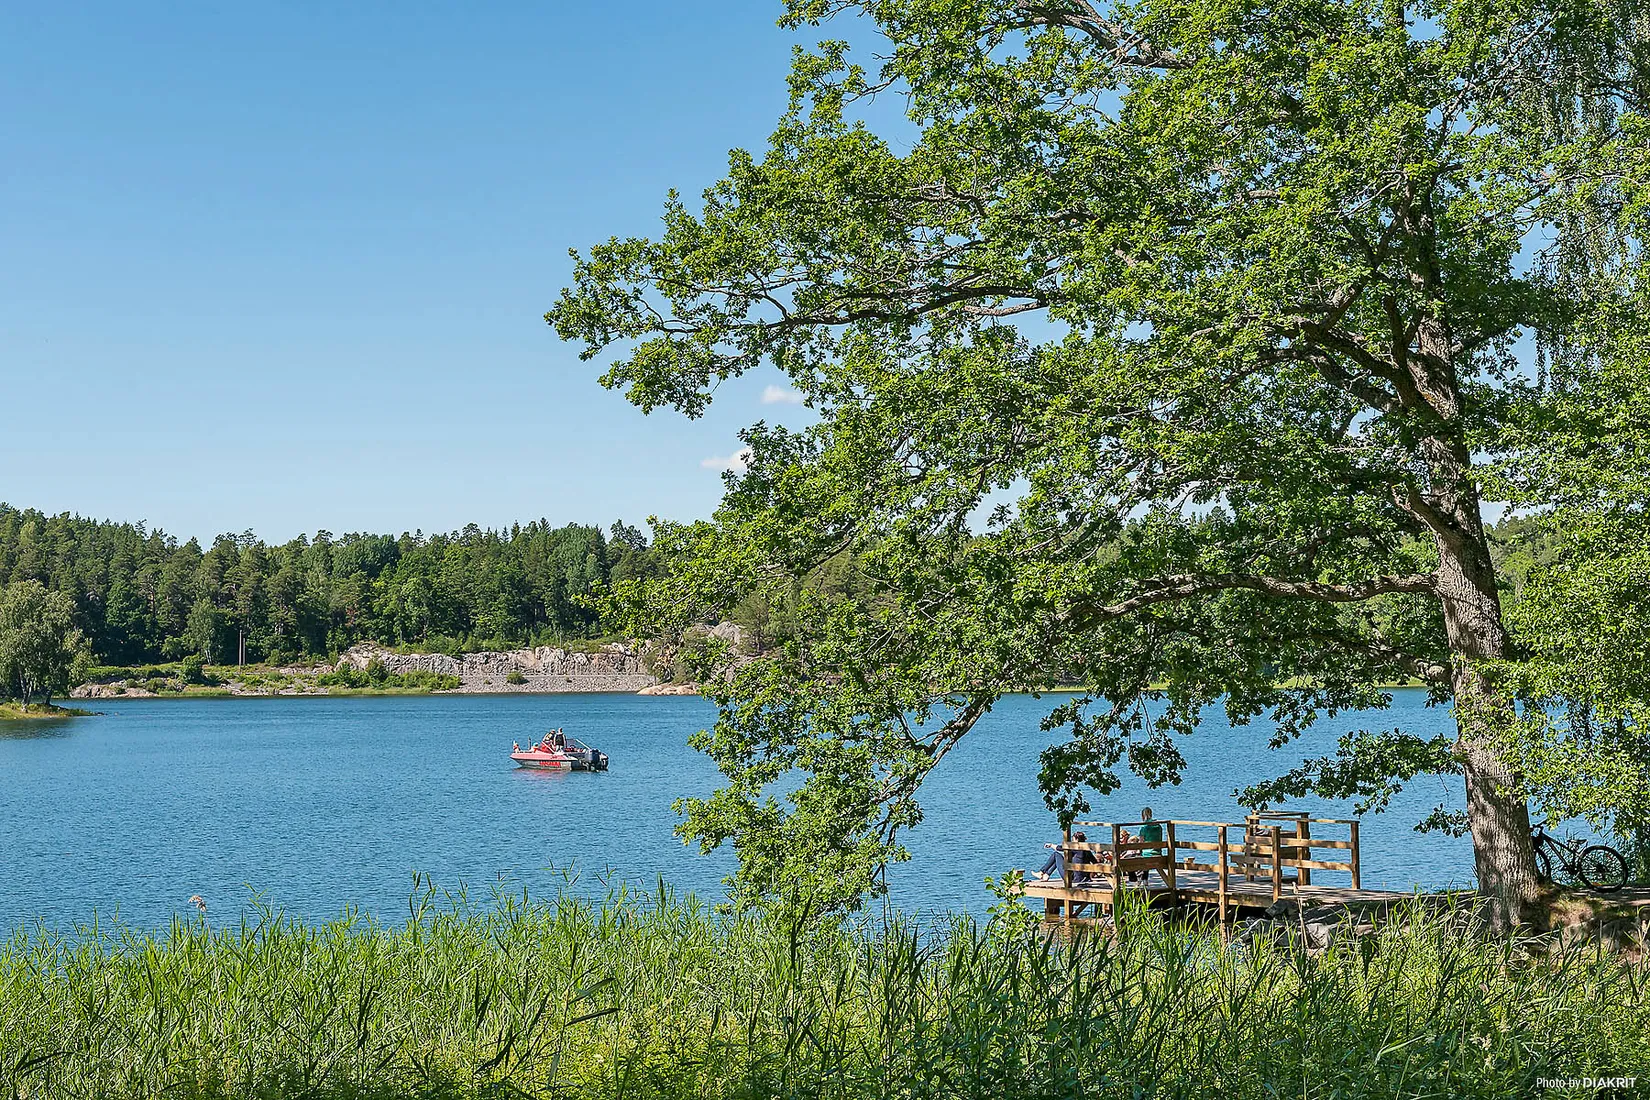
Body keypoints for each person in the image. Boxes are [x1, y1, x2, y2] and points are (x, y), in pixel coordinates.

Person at [1132, 808, 1165, 883]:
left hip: (1147, 854)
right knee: (1144, 856)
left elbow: (1141, 843)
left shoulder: (1144, 827)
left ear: (1143, 816)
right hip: (1158, 853)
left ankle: (1137, 880)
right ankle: (1144, 879)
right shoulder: (1158, 826)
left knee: (1132, 858)